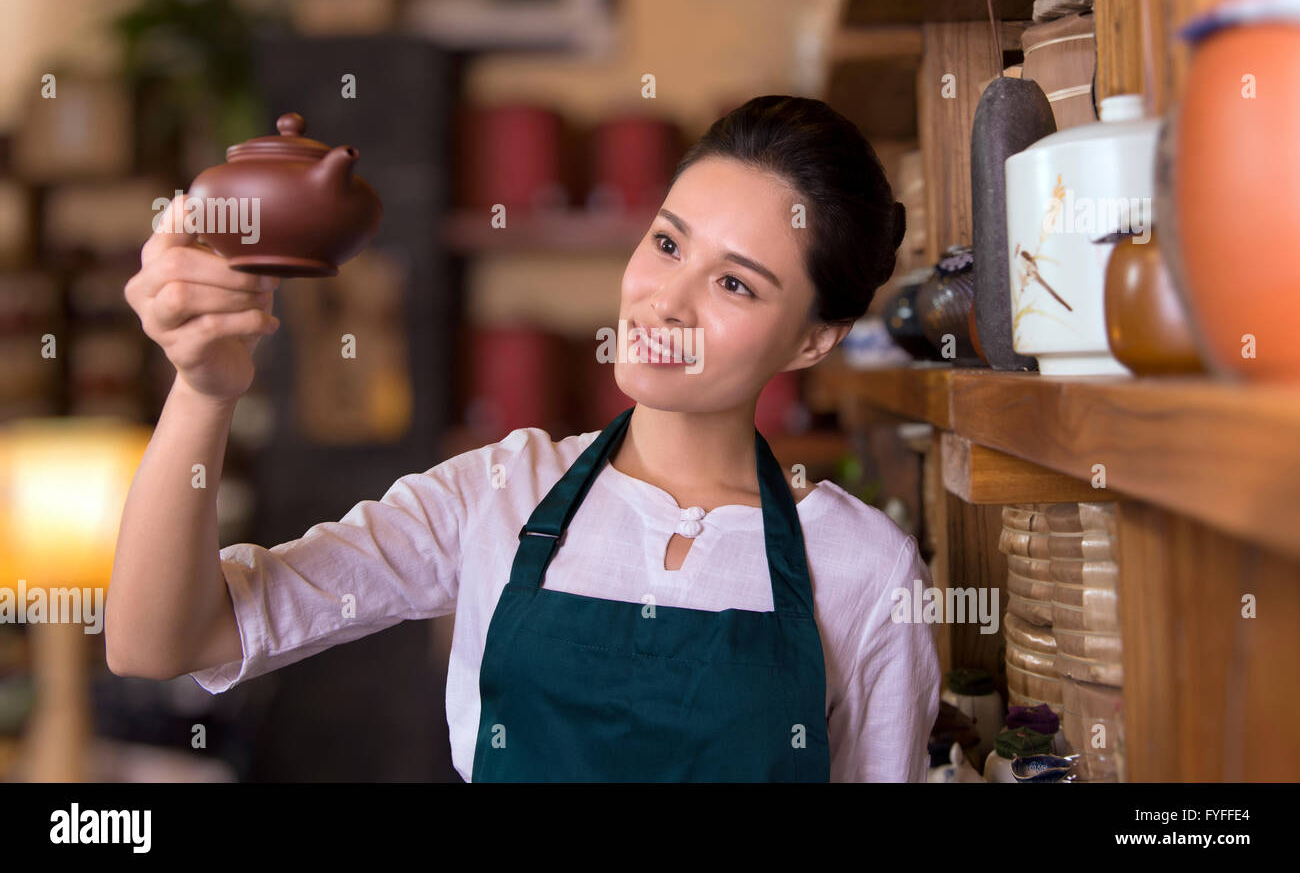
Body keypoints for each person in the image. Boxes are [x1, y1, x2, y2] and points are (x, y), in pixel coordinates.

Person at [108, 95, 941, 782]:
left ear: (812, 340)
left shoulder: (860, 566)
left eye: (733, 282)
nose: (665, 302)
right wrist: (204, 389)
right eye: (666, 243)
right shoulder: (498, 494)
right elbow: (162, 640)